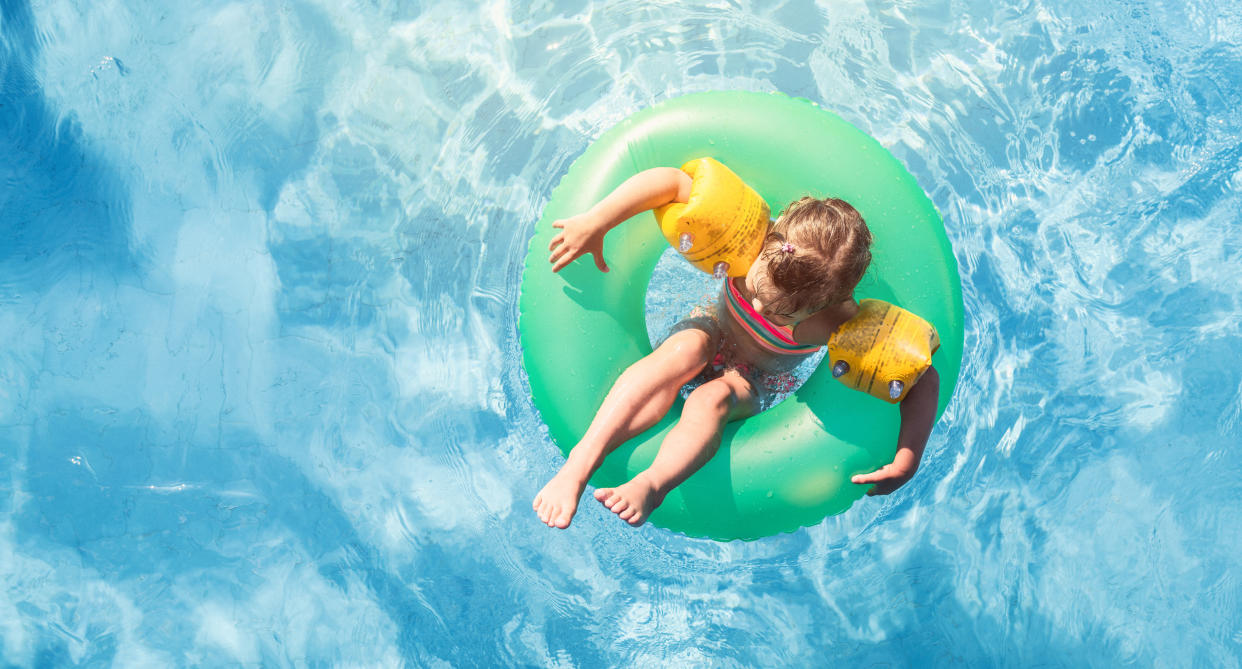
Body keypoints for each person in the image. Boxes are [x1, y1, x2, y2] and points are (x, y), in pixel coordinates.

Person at [532, 166, 940, 529]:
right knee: (684, 351)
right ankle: (579, 466)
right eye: (755, 288)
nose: (759, 306)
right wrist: (596, 221)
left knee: (714, 397)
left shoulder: (837, 322)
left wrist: (908, 459)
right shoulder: (753, 237)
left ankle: (651, 484)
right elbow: (670, 181)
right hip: (711, 327)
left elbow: (921, 377)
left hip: (755, 378)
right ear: (765, 245)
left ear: (823, 304)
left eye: (782, 313)